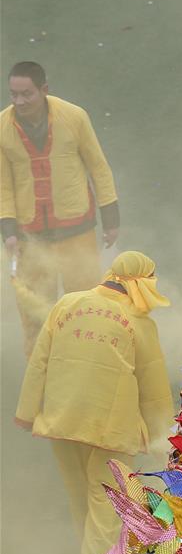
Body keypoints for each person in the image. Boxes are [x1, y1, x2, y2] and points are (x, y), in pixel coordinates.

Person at [15, 251, 174, 554]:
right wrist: (163, 439)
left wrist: (26, 412)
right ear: (141, 282)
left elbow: (39, 362)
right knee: (107, 501)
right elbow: (153, 388)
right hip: (111, 430)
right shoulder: (139, 322)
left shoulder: (67, 303)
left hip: (62, 421)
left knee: (80, 497)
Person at [1, 61, 121, 353]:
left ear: (44, 89)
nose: (19, 101)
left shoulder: (74, 117)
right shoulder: (2, 127)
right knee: (35, 314)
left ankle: (87, 365)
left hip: (76, 230)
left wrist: (111, 219)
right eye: (14, 94)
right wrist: (9, 232)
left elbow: (98, 167)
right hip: (30, 236)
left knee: (85, 308)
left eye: (26, 94)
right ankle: (40, 373)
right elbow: (3, 186)